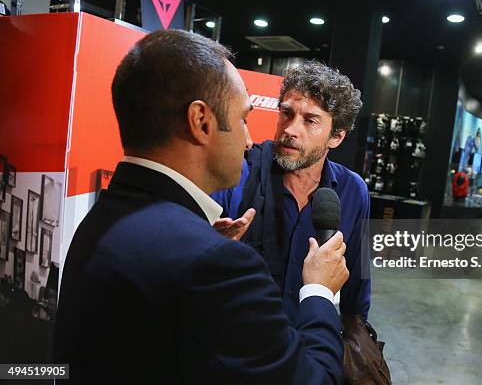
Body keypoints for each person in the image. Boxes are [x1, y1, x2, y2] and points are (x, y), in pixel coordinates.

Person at [52, 30, 349, 384]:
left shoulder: (101, 219)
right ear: (201, 121)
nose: (250, 139)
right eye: (242, 119)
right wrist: (320, 291)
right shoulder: (216, 263)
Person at [212, 60, 371, 326]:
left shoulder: (353, 191)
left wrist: (356, 340)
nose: (289, 130)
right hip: (237, 342)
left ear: (336, 137)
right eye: (286, 113)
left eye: (310, 120)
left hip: (310, 345)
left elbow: (357, 284)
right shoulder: (241, 171)